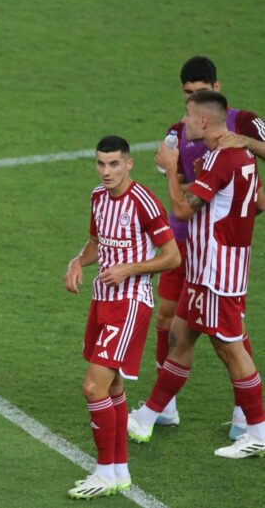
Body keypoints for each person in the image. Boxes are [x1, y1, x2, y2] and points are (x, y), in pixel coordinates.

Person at [128, 91, 265, 459]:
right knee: (182, 334)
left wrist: (172, 168)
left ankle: (257, 431)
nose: (183, 121)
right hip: (213, 267)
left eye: (188, 114)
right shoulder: (242, 155)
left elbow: (182, 211)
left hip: (215, 273)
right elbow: (254, 203)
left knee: (230, 349)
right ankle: (147, 417)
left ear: (204, 120)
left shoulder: (222, 159)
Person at [63, 136, 180, 499]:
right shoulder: (98, 197)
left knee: (92, 387)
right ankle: (118, 472)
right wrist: (77, 261)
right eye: (101, 163)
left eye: (114, 164)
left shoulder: (144, 202)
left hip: (130, 303)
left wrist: (130, 268)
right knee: (112, 387)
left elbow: (172, 256)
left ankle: (102, 472)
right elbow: (96, 243)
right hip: (101, 301)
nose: (106, 171)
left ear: (129, 164)